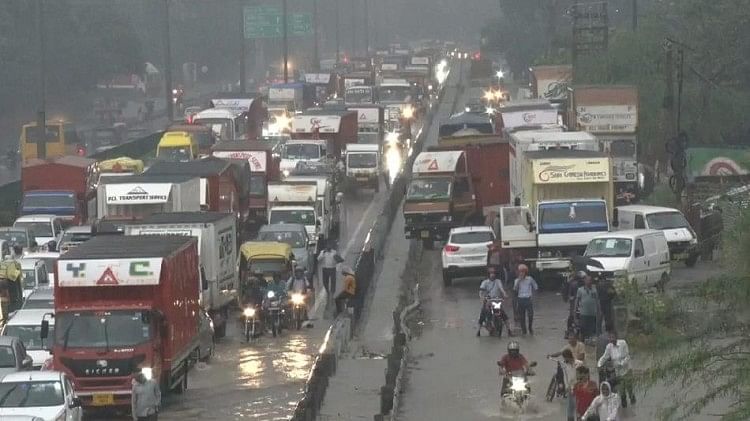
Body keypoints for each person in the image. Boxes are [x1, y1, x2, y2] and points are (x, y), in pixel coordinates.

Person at [598, 331, 635, 408]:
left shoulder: (623, 343)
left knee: (629, 389)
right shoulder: (609, 347)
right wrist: (599, 364)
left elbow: (627, 356)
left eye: (613, 337)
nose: (611, 339)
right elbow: (605, 356)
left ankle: (633, 403)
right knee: (622, 391)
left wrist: (621, 364)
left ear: (616, 337)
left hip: (627, 370)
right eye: (610, 337)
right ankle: (625, 409)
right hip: (618, 373)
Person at [477, 268, 509, 336]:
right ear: (488, 275)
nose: (492, 275)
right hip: (488, 301)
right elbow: (481, 292)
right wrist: (482, 298)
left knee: (504, 315)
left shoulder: (498, 281)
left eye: (493, 273)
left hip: (496, 300)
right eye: (491, 273)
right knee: (483, 314)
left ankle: (509, 330)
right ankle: (478, 330)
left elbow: (501, 289)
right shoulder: (485, 282)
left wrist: (504, 294)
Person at [559, 349, 584, 421]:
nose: (564, 359)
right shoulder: (564, 365)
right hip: (570, 388)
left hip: (579, 387)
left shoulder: (579, 363)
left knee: (579, 407)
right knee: (570, 408)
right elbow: (565, 376)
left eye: (565, 357)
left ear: (568, 356)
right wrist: (567, 387)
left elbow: (583, 375)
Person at [513, 264, 538, 335]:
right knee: (522, 317)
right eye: (520, 272)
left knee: (530, 315)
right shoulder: (516, 280)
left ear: (525, 272)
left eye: (523, 272)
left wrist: (533, 296)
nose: (521, 273)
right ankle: (524, 330)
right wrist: (518, 281)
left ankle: (530, 327)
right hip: (520, 299)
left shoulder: (530, 279)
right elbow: (515, 290)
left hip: (528, 299)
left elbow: (535, 287)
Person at [575, 275, 601, 342]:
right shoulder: (580, 290)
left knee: (592, 331)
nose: (589, 281)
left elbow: (597, 301)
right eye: (587, 280)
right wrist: (575, 312)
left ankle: (590, 344)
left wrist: (599, 312)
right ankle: (581, 344)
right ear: (584, 281)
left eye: (590, 280)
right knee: (582, 330)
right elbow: (577, 301)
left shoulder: (594, 289)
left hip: (592, 314)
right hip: (583, 313)